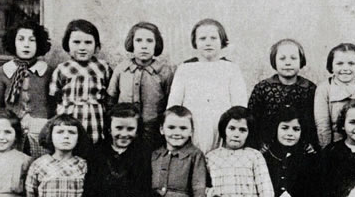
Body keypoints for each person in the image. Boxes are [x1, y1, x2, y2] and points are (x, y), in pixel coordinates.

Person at [167, 18, 247, 153]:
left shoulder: (231, 69)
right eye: (203, 38)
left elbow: (240, 106)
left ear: (222, 41)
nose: (208, 43)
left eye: (213, 38)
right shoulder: (185, 69)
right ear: (195, 42)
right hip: (193, 126)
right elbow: (174, 105)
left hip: (220, 126)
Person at [83, 103, 152, 197]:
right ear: (109, 128)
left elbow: (141, 186)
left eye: (130, 129)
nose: (124, 133)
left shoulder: (142, 153)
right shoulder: (97, 151)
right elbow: (91, 186)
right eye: (119, 128)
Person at [205, 107, 274, 197]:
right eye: (232, 128)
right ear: (224, 130)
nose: (236, 134)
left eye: (242, 130)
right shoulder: (211, 157)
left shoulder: (254, 156)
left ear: (249, 133)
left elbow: (266, 192)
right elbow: (203, 189)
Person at [0, 19, 53, 155]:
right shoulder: (4, 71)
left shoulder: (48, 71)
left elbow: (53, 104)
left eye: (32, 40)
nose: (26, 45)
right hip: (13, 129)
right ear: (13, 42)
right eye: (21, 39)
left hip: (40, 130)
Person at [107, 22, 173, 147]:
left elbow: (169, 102)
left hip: (153, 132)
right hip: (125, 131)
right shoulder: (121, 69)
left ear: (156, 44)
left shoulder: (164, 71)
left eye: (149, 41)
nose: (144, 46)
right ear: (132, 43)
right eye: (139, 41)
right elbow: (111, 100)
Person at [151, 106, 207, 197]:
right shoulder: (155, 154)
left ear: (191, 131)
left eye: (183, 128)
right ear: (162, 130)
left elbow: (199, 188)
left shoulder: (195, 155)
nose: (177, 133)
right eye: (171, 127)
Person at [49, 19, 112, 144]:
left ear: (97, 46)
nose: (82, 47)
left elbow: (109, 96)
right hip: (70, 121)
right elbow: (54, 98)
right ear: (67, 44)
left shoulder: (103, 68)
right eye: (76, 42)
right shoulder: (62, 69)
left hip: (95, 122)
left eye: (88, 42)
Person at [248, 38, 317, 149]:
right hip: (268, 148)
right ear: (274, 61)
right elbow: (253, 118)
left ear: (301, 61)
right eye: (282, 58)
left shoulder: (309, 88)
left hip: (301, 148)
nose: (288, 62)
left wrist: (311, 143)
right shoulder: (263, 88)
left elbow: (314, 120)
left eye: (293, 58)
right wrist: (259, 143)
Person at [314, 43, 355, 148]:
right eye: (340, 63)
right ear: (331, 66)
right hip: (335, 149)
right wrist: (327, 152)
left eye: (351, 63)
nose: (346, 68)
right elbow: (323, 126)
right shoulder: (324, 89)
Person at [24, 115, 89, 197]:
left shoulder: (83, 165)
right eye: (60, 132)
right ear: (49, 135)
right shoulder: (38, 165)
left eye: (71, 132)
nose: (66, 136)